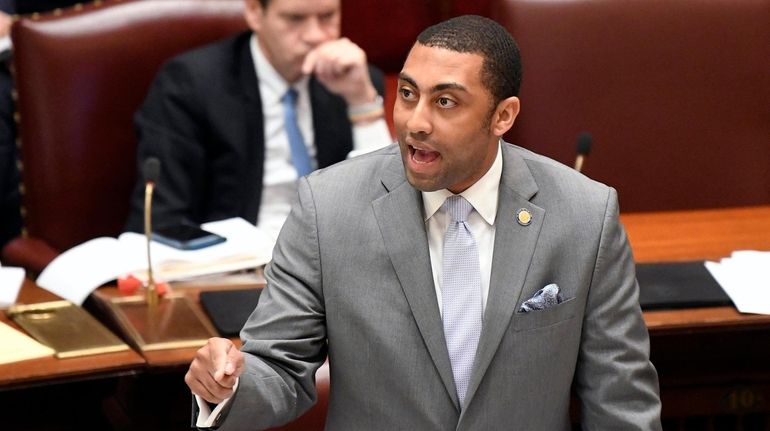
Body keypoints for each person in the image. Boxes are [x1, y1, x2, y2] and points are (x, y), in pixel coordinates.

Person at [185, 15, 662, 430]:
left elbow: (620, 398)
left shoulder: (584, 214)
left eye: (446, 102)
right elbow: (278, 367)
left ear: (503, 116)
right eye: (408, 94)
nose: (416, 122)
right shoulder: (327, 208)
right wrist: (228, 383)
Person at [124, 0, 391, 239]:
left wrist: (362, 104)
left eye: (327, 16)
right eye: (295, 19)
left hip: (332, 267)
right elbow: (162, 220)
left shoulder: (355, 82)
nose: (316, 35)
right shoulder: (190, 84)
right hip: (234, 271)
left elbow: (388, 209)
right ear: (254, 12)